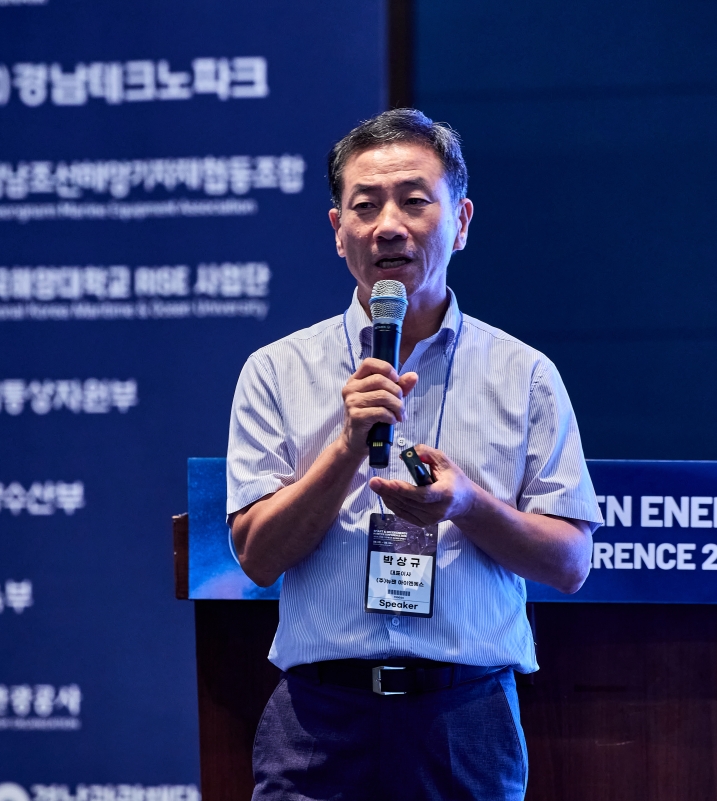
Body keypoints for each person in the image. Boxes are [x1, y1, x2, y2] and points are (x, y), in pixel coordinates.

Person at [226, 108, 602, 801]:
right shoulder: (276, 371)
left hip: (465, 717)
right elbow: (255, 555)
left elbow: (570, 563)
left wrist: (467, 504)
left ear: (461, 222)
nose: (388, 225)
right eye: (365, 205)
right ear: (338, 230)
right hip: (319, 719)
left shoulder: (524, 375)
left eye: (414, 200)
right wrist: (347, 446)